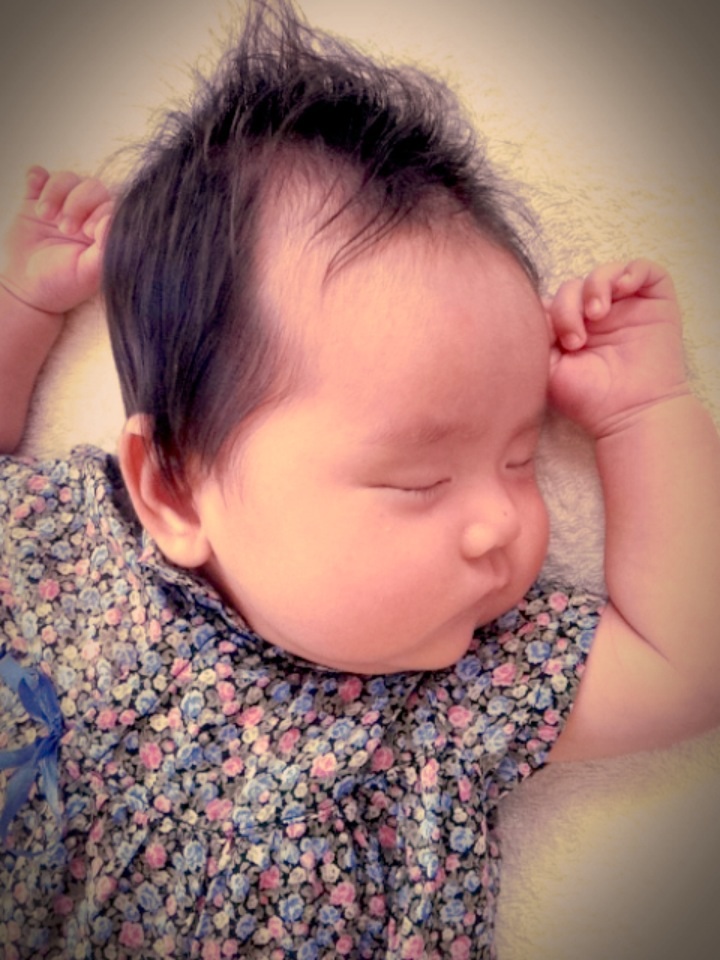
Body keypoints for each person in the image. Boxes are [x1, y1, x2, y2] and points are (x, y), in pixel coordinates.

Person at [0, 2, 718, 957]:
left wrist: (642, 413)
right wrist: (21, 306)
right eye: (419, 481)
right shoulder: (71, 551)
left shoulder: (456, 694)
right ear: (171, 490)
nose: (501, 524)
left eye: (518, 459)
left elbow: (687, 664)